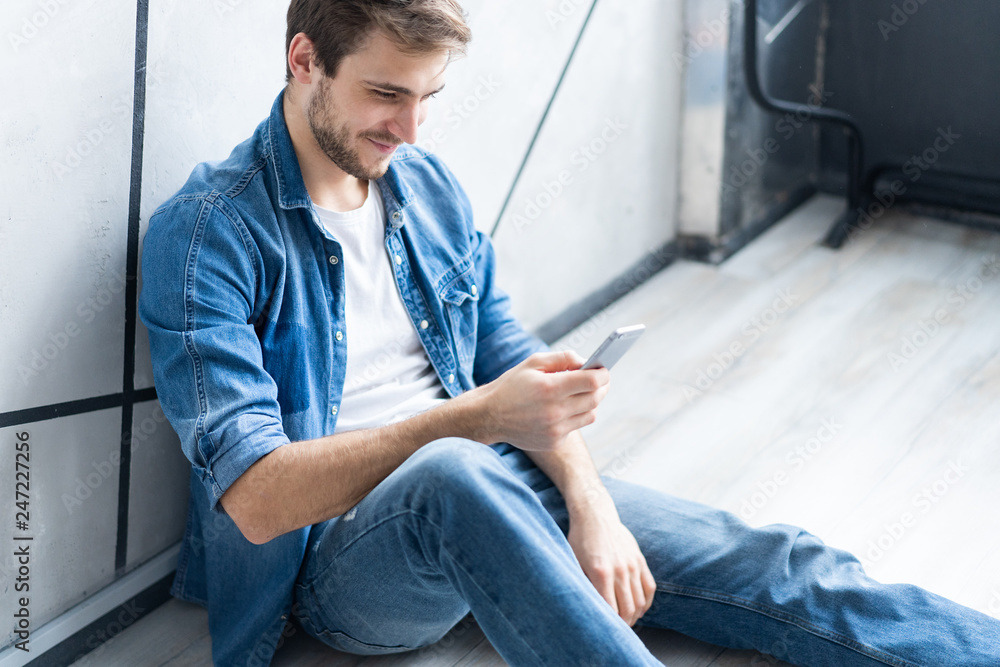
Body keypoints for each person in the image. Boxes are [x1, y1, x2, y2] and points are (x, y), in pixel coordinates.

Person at [138, 1, 1000, 665]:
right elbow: (254, 499)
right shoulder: (208, 234)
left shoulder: (425, 187)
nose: (410, 129)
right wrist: (477, 418)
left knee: (780, 564)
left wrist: (592, 507)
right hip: (341, 561)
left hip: (495, 477)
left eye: (428, 97)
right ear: (304, 61)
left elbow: (510, 359)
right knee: (455, 471)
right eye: (386, 94)